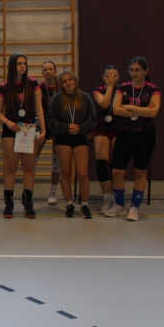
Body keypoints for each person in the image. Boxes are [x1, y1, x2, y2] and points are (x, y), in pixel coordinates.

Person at [104, 57, 161, 221]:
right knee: (117, 171)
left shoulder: (153, 89)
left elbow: (153, 112)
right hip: (124, 133)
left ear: (145, 71)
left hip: (145, 134)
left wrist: (128, 106)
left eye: (137, 70)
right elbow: (116, 110)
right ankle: (119, 205)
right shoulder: (123, 87)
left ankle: (135, 208)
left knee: (140, 171)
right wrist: (142, 110)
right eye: (131, 70)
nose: (134, 73)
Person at [0, 52, 46, 218]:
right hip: (11, 129)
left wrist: (43, 130)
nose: (23, 66)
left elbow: (39, 108)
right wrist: (8, 123)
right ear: (12, 65)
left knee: (29, 168)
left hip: (29, 129)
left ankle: (28, 202)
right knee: (11, 168)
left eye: (25, 63)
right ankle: (9, 203)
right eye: (19, 63)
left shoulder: (33, 83)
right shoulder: (4, 86)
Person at [47, 70, 97, 218]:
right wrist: (66, 127)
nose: (68, 83)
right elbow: (51, 122)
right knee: (66, 173)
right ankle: (69, 204)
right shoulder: (56, 99)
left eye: (70, 80)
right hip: (63, 138)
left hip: (80, 137)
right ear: (61, 85)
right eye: (64, 81)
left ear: (75, 81)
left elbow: (92, 120)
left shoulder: (85, 97)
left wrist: (80, 128)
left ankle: (85, 205)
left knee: (82, 174)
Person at [90, 65, 119, 212]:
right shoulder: (98, 90)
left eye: (114, 76)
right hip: (101, 129)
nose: (111, 78)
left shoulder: (122, 91)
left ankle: (115, 196)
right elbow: (104, 103)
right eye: (108, 76)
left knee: (117, 163)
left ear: (118, 77)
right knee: (102, 161)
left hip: (118, 128)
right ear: (103, 77)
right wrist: (110, 87)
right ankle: (106, 197)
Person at [35, 61, 61, 205]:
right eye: (45, 69)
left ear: (55, 70)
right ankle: (29, 189)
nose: (48, 71)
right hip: (42, 125)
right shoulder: (38, 87)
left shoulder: (61, 86)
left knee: (56, 160)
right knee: (33, 158)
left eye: (51, 69)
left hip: (57, 126)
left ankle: (53, 191)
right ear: (42, 72)